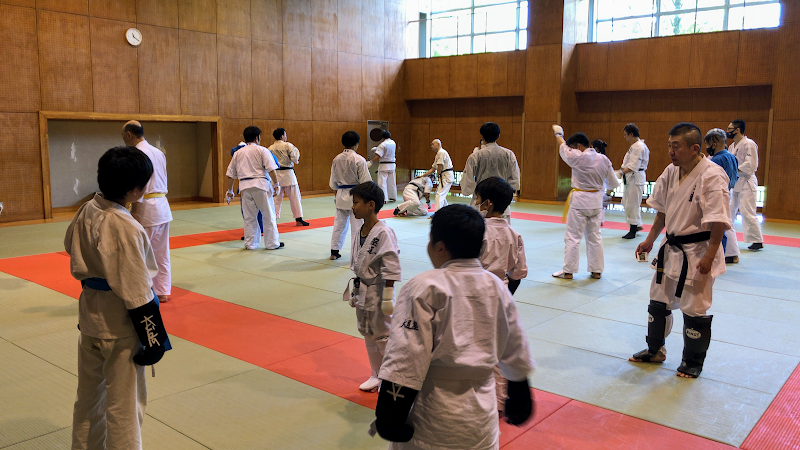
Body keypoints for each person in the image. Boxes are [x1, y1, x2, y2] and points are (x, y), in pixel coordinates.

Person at [373, 204, 534, 450]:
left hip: (434, 414)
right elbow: (514, 343)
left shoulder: (423, 287)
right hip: (480, 415)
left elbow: (406, 354)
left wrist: (390, 411)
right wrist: (520, 389)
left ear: (439, 247)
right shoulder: (497, 286)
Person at [65, 146, 171, 450]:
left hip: (90, 317)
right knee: (124, 405)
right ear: (136, 189)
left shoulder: (87, 208)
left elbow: (68, 243)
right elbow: (138, 292)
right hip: (120, 325)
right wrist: (154, 339)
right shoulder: (125, 226)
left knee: (88, 398)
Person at [629, 123, 731, 379]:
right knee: (658, 300)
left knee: (694, 306)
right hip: (671, 247)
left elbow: (718, 220)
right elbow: (663, 210)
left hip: (698, 251)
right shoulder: (670, 171)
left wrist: (709, 256)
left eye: (676, 147)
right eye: (669, 145)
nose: (670, 152)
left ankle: (693, 361)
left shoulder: (712, 175)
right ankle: (655, 350)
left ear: (695, 148)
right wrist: (651, 239)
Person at [474, 176, 529, 417]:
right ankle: (500, 400)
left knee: (471, 345)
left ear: (486, 203)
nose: (474, 203)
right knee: (498, 351)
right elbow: (518, 272)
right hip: (501, 294)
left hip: (475, 293)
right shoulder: (514, 234)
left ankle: (475, 394)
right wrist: (507, 294)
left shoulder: (477, 232)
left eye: (477, 199)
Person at [343, 181, 401, 392]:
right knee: (368, 332)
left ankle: (392, 377)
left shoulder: (383, 232)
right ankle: (376, 374)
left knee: (383, 334)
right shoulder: (360, 229)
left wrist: (388, 295)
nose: (353, 206)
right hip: (363, 288)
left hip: (378, 290)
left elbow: (391, 264)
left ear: (370, 204)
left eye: (356, 202)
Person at [552, 128, 619, 280]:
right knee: (595, 237)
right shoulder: (603, 159)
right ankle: (597, 271)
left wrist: (559, 135)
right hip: (596, 201)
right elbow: (613, 184)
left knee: (573, 237)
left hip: (580, 201)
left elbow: (563, 147)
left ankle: (568, 271)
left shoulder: (577, 157)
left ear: (579, 146)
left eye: (573, 148)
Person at [122, 121, 173, 303]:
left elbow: (139, 184)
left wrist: (135, 209)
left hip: (146, 207)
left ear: (129, 135)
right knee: (161, 252)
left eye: (123, 137)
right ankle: (162, 291)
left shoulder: (137, 153)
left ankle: (143, 291)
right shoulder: (158, 152)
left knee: (142, 252)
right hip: (162, 205)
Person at [225, 126, 283, 250]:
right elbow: (271, 169)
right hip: (260, 184)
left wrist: (229, 191)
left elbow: (230, 174)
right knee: (268, 215)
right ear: (257, 138)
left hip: (245, 187)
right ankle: (272, 243)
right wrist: (276, 184)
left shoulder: (237, 153)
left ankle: (251, 244)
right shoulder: (262, 150)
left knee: (249, 217)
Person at [461, 122, 521, 222]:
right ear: (498, 136)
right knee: (502, 230)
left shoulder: (475, 156)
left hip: (481, 199)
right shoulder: (508, 154)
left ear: (482, 136)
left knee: (480, 232)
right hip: (501, 200)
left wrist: (468, 191)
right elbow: (514, 180)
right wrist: (509, 192)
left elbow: (468, 181)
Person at [330, 131, 373, 260]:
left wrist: (336, 195)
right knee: (358, 225)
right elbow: (365, 181)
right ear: (357, 143)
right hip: (357, 196)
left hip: (341, 194)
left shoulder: (336, 159)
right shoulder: (359, 159)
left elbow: (333, 183)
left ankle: (334, 251)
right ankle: (357, 253)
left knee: (339, 224)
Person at [727, 119, 763, 251]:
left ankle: (756, 240)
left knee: (747, 211)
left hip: (746, 181)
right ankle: (727, 237)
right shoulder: (731, 147)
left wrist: (733, 170)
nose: (728, 131)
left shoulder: (749, 144)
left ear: (737, 129)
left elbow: (751, 165)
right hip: (734, 182)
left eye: (729, 128)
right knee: (729, 211)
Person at [704, 128, 740, 264]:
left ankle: (717, 257)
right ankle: (726, 255)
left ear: (713, 143)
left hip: (717, 195)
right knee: (724, 226)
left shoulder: (717, 160)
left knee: (716, 228)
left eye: (707, 144)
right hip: (728, 192)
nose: (707, 148)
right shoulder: (731, 157)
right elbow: (735, 176)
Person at [269, 127, 310, 227]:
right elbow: (295, 158)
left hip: (275, 176)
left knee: (275, 199)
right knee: (295, 198)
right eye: (285, 134)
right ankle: (299, 219)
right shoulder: (288, 145)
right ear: (282, 136)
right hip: (288, 175)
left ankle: (272, 220)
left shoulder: (270, 148)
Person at [619, 123, 650, 239]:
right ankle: (637, 225)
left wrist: (619, 172)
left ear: (631, 134)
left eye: (626, 135)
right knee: (626, 202)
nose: (625, 137)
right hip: (631, 177)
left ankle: (633, 229)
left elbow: (633, 166)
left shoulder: (639, 147)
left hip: (635, 177)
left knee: (632, 204)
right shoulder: (635, 145)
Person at [421, 139, 454, 212]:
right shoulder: (439, 153)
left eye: (433, 144)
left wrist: (438, 175)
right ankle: (447, 211)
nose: (431, 146)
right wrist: (422, 176)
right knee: (440, 194)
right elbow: (433, 169)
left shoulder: (441, 152)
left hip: (446, 176)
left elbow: (440, 166)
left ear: (438, 145)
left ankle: (437, 213)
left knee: (439, 195)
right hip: (445, 176)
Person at [369, 130, 397, 203]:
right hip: (392, 165)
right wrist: (376, 149)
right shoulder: (393, 142)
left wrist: (371, 162)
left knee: (382, 182)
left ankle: (384, 198)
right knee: (392, 181)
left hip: (384, 165)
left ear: (382, 137)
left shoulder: (382, 144)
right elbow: (386, 151)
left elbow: (379, 155)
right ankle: (393, 196)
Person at [591, 139, 614, 224]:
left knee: (597, 202)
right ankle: (600, 220)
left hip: (597, 182)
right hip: (601, 183)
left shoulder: (598, 158)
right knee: (600, 203)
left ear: (595, 148)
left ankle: (599, 219)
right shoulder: (604, 158)